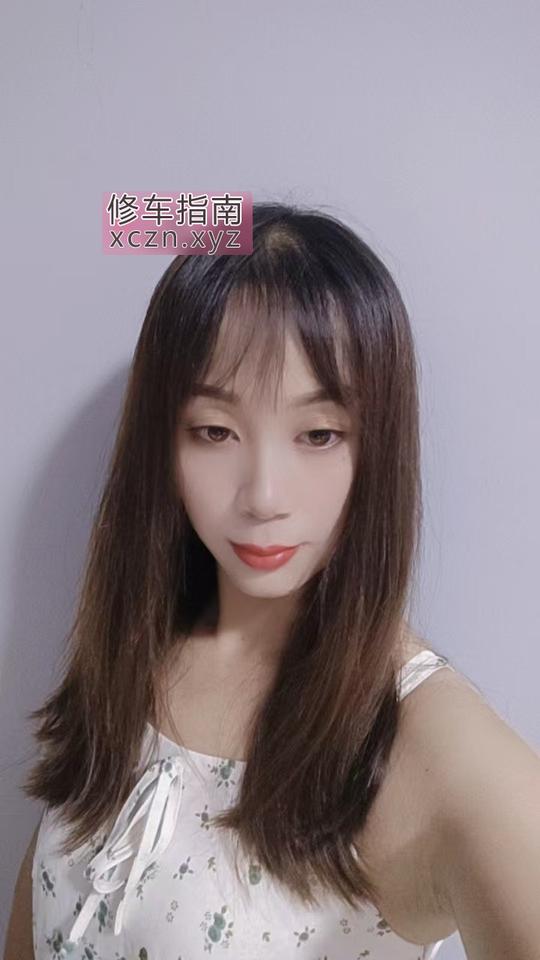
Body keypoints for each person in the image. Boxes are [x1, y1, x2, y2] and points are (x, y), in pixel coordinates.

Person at [5, 203, 540, 960]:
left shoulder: (426, 742)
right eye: (215, 431)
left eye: (319, 434)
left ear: (377, 446)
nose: (263, 496)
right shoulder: (137, 647)